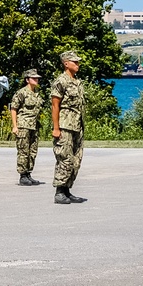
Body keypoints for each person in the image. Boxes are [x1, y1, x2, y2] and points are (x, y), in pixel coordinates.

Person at [51, 52, 86, 204]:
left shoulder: (76, 82)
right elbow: (55, 105)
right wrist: (56, 128)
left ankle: (67, 190)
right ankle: (59, 191)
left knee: (75, 160)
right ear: (66, 63)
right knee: (65, 159)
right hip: (65, 125)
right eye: (75, 62)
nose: (77, 65)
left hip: (77, 126)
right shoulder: (61, 81)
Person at [10, 69, 44, 186]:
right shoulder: (21, 93)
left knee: (32, 151)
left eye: (37, 78)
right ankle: (22, 175)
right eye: (34, 78)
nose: (37, 80)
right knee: (23, 151)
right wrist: (15, 126)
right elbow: (13, 109)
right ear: (27, 80)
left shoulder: (36, 93)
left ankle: (28, 173)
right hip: (23, 125)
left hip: (34, 126)